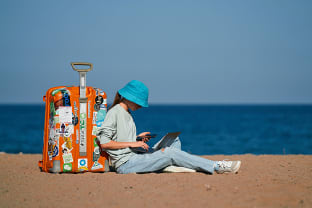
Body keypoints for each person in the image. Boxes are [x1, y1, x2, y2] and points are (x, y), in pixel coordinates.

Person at [96, 80, 241, 174]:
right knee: (170, 153)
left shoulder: (126, 112)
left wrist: (137, 138)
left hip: (136, 155)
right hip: (126, 164)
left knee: (173, 140)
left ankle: (167, 166)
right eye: (139, 102)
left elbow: (119, 138)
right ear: (129, 98)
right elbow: (105, 143)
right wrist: (132, 143)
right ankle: (217, 166)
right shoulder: (114, 112)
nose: (140, 106)